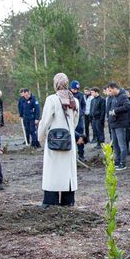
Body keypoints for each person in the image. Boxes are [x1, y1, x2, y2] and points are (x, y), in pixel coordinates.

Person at [37, 73, 81, 208]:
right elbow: (75, 121)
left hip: (54, 140)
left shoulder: (52, 99)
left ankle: (51, 201)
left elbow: (45, 121)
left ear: (55, 84)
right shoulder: (75, 100)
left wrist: (41, 136)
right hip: (69, 140)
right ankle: (68, 201)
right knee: (68, 171)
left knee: (53, 170)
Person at [106, 82, 130, 170]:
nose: (109, 92)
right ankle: (117, 161)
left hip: (120, 124)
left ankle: (123, 163)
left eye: (110, 90)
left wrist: (116, 111)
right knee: (115, 145)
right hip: (113, 124)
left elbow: (128, 107)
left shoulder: (123, 96)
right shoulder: (113, 98)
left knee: (122, 144)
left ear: (114, 88)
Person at [70, 80, 87, 161]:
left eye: (77, 89)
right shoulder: (67, 95)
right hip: (70, 120)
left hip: (79, 120)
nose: (76, 91)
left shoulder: (80, 95)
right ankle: (71, 155)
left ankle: (81, 154)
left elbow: (83, 104)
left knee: (80, 136)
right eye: (74, 89)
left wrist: (82, 112)